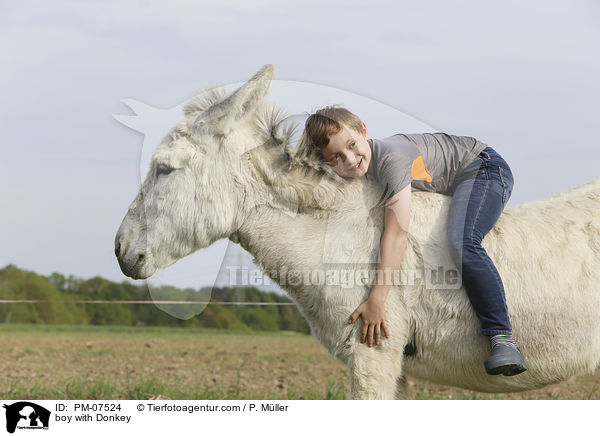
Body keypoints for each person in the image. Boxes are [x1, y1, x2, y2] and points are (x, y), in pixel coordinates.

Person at [304, 106, 527, 376]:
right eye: (336, 157)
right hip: (455, 177)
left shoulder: (391, 160)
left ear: (364, 130)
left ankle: (502, 339)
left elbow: (397, 233)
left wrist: (377, 299)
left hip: (483, 168)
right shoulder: (363, 170)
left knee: (462, 241)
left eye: (352, 145)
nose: (350, 160)